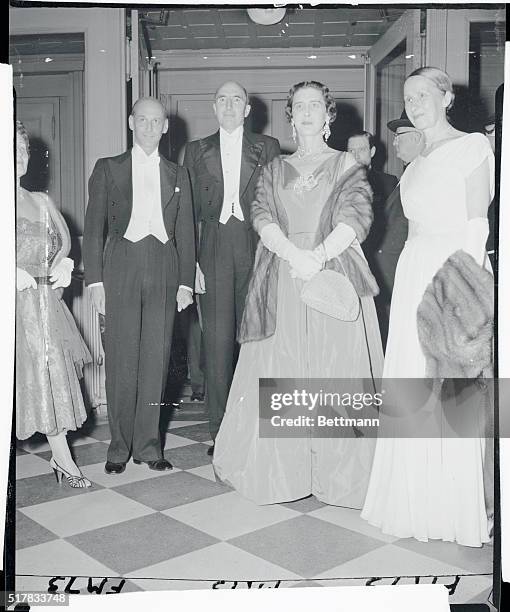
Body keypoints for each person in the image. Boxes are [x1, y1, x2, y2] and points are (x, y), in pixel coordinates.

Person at [213, 81, 383, 506]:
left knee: (335, 368)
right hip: (284, 275)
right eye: (299, 107)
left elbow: (357, 215)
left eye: (315, 106)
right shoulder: (274, 168)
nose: (306, 113)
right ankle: (286, 474)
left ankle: (338, 476)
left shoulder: (347, 164)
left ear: (329, 115)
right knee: (285, 365)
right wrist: (294, 254)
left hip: (334, 272)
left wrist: (319, 255)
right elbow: (262, 215)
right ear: (291, 117)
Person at [361, 67, 494, 547]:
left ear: (446, 96)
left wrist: (466, 289)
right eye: (408, 97)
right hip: (415, 274)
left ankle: (454, 507)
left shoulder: (473, 146)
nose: (415, 103)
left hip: (453, 271)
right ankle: (413, 499)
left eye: (423, 94)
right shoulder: (415, 161)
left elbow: (477, 224)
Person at [83, 97, 195, 475]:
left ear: (166, 127)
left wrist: (184, 283)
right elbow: (93, 227)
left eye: (157, 121)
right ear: (132, 122)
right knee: (121, 358)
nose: (149, 126)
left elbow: (185, 232)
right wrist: (96, 280)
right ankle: (118, 447)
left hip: (164, 264)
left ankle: (149, 446)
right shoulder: (107, 168)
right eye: (142, 119)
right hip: (121, 264)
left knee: (155, 360)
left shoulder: (179, 175)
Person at [183, 81, 280, 454]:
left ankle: (258, 429)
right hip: (212, 249)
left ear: (247, 108)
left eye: (235, 99)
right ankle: (221, 432)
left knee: (257, 341)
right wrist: (190, 264)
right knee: (218, 344)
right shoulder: (195, 150)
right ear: (213, 106)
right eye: (222, 99)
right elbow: (186, 213)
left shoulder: (267, 147)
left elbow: (276, 204)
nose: (228, 105)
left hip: (255, 246)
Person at [16, 120, 92, 488]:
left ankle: (62, 459)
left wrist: (64, 262)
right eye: (11, 147)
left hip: (43, 307)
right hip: (10, 309)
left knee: (51, 377)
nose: (20, 155)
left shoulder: (40, 200)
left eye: (24, 149)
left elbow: (64, 243)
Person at [372, 111, 425, 347]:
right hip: (392, 280)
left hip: (405, 281)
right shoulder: (408, 174)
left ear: (417, 137)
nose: (394, 141)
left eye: (399, 135)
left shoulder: (424, 174)